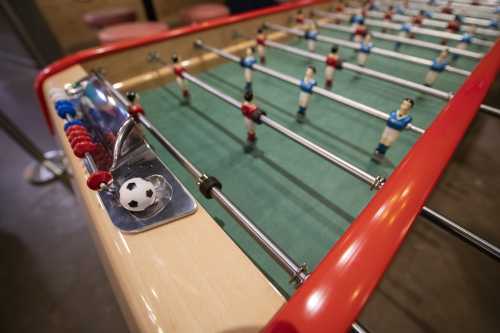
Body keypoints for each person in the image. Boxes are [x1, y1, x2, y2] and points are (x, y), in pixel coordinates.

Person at [372, 98, 414, 163]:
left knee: (388, 143)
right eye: (404, 104)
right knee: (383, 140)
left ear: (410, 108)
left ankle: (381, 154)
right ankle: (377, 152)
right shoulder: (394, 113)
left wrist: (408, 126)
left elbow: (406, 126)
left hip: (395, 132)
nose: (404, 107)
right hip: (388, 129)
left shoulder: (407, 118)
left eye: (407, 105)